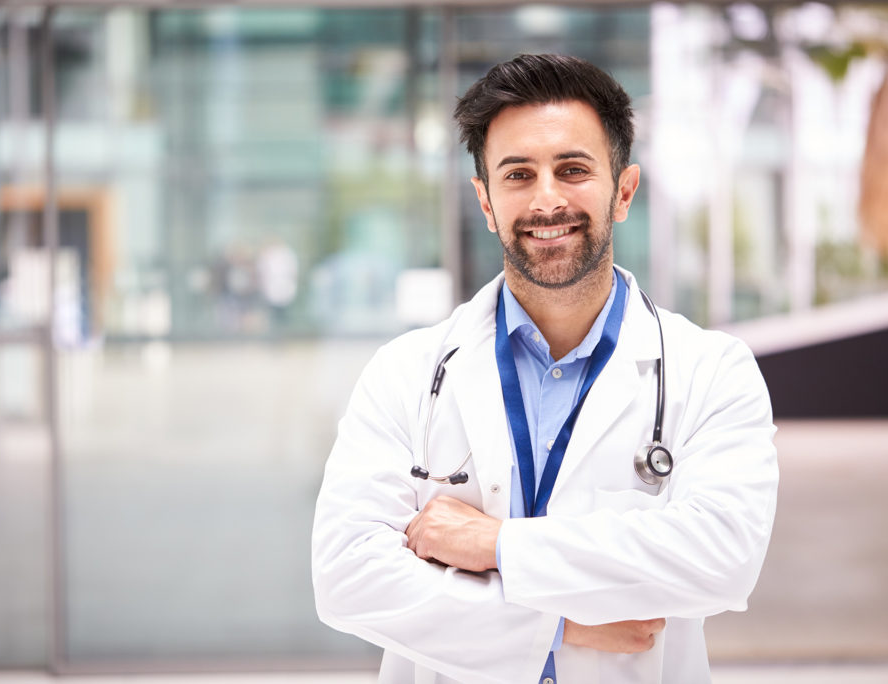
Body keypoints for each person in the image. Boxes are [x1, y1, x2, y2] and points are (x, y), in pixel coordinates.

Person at [312, 54, 778, 684]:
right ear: (485, 200)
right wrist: (559, 627)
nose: (547, 198)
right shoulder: (406, 373)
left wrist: (494, 545)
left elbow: (721, 560)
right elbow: (349, 576)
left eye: (573, 169)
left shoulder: (712, 372)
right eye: (518, 174)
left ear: (624, 190)